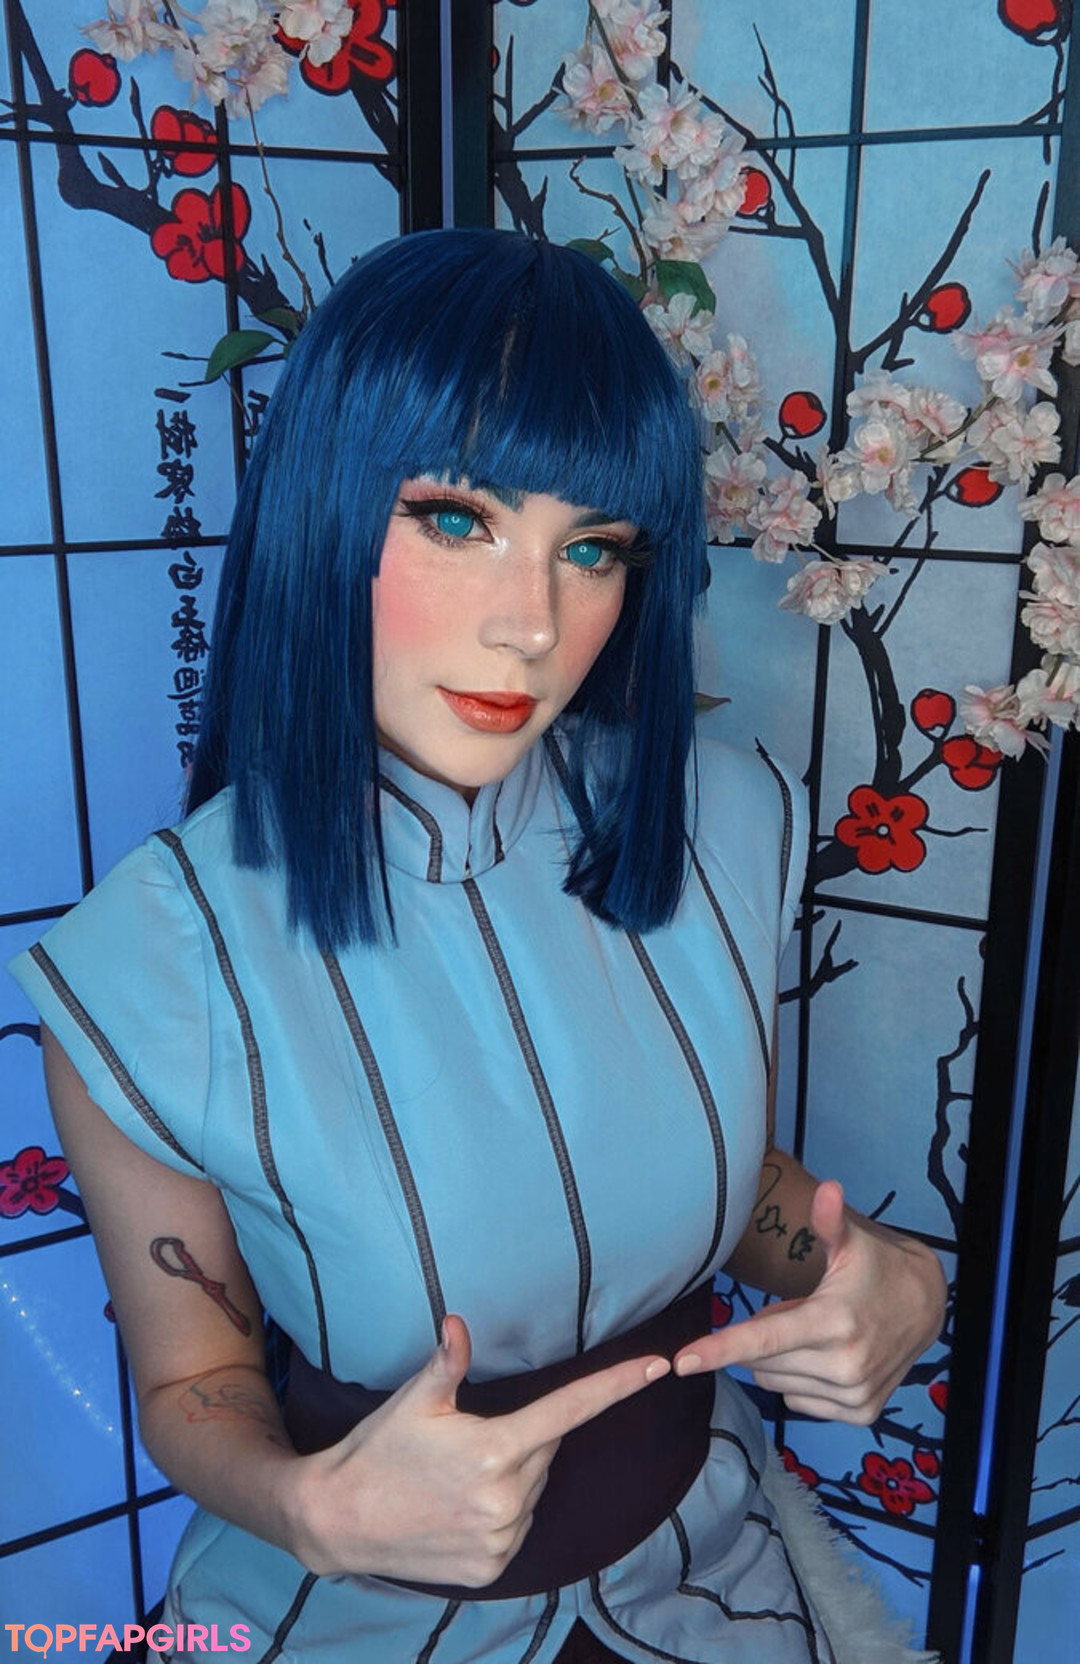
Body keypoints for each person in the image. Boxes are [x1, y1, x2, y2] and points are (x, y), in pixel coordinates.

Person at [10, 229, 945, 1664]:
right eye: (458, 520)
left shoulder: (724, 825)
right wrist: (311, 1506)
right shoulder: (149, 963)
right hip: (350, 1621)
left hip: (718, 1575)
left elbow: (720, 1186)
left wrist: (874, 1272)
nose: (530, 625)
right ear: (325, 504)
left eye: (592, 549)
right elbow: (195, 1375)